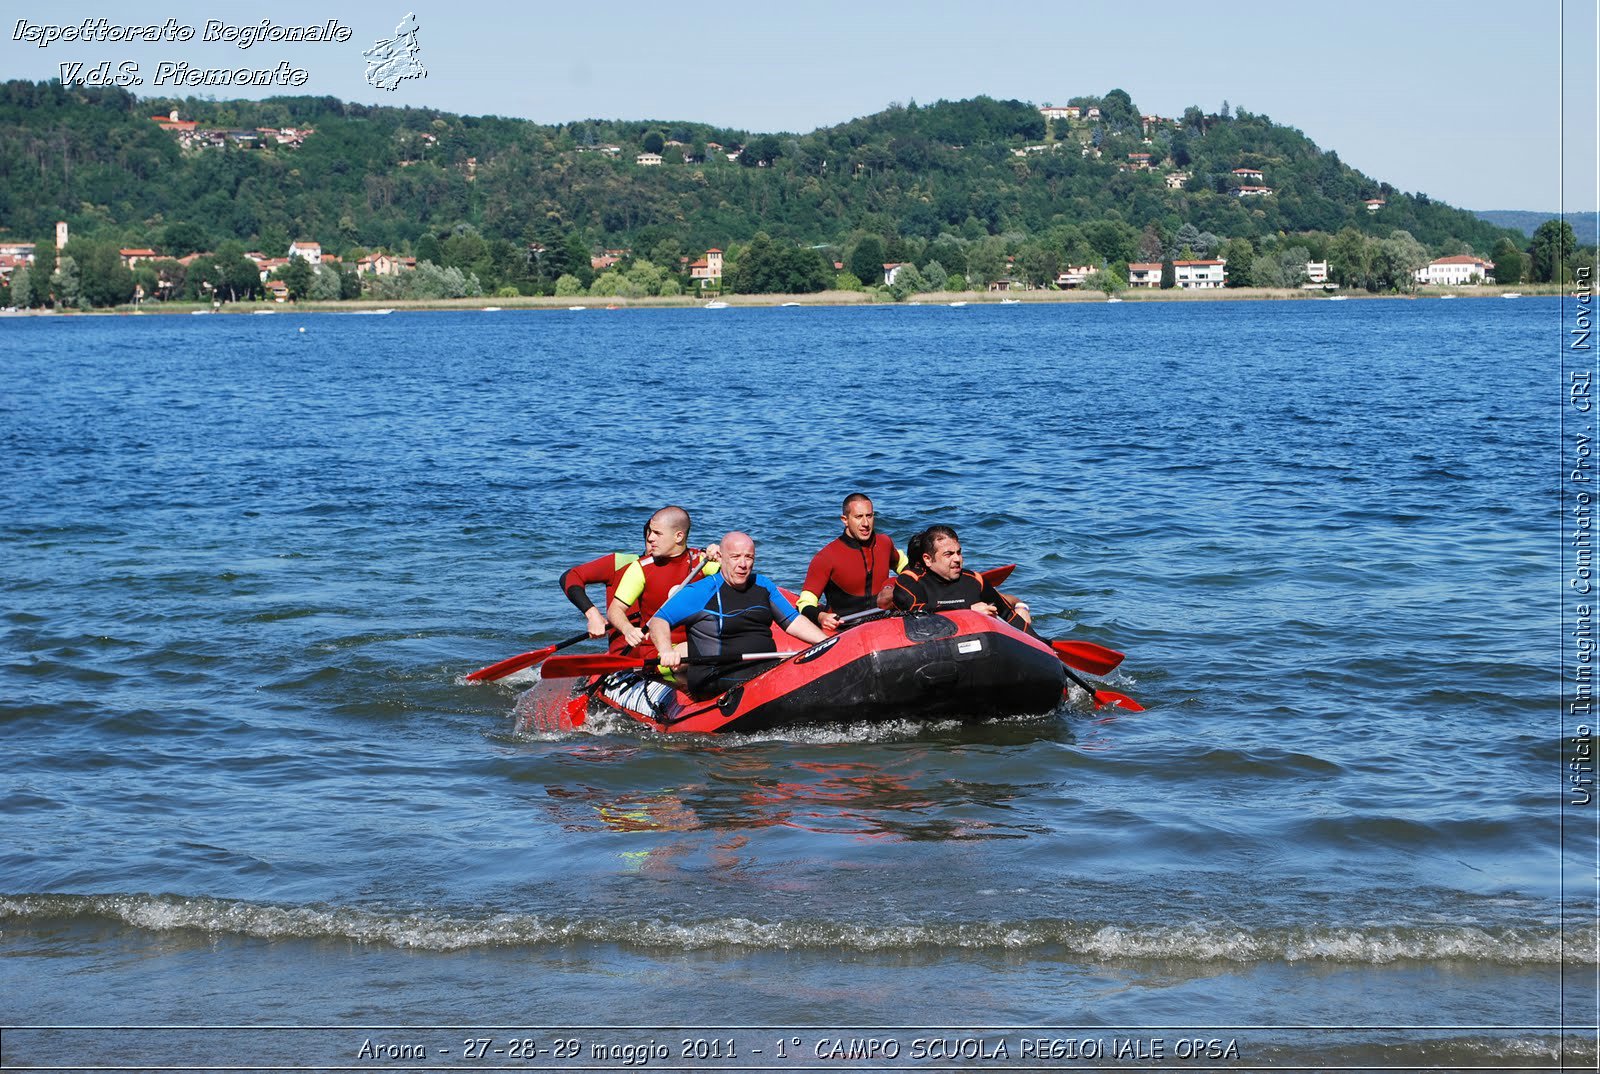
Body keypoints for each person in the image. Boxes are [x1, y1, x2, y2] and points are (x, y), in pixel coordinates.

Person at [647, 531, 829, 699]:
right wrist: (665, 650)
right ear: (720, 558)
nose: (743, 564)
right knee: (784, 674)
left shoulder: (762, 585)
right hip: (715, 675)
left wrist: (828, 643)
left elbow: (793, 621)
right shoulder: (700, 591)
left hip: (764, 665)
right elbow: (658, 621)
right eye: (735, 557)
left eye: (748, 557)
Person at [557, 506, 716, 654]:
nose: (652, 542)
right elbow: (570, 576)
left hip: (674, 648)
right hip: (628, 653)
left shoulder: (696, 562)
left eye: (657, 535)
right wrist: (593, 615)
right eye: (649, 537)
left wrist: (720, 553)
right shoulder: (623, 563)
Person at [606, 505, 719, 652]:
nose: (650, 538)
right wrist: (628, 629)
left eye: (657, 533)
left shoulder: (702, 562)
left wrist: (723, 555)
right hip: (655, 650)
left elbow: (737, 580)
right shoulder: (640, 568)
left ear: (679, 536)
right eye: (650, 532)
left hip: (695, 644)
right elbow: (615, 610)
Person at [891, 524, 1035, 634]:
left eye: (958, 553)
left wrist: (1044, 645)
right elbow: (916, 611)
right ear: (928, 559)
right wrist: (968, 611)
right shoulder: (910, 581)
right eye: (949, 554)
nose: (957, 559)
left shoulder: (974, 580)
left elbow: (1008, 615)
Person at [796, 493, 908, 631]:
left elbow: (907, 566)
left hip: (882, 623)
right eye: (858, 517)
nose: (865, 523)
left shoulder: (884, 543)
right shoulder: (826, 557)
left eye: (869, 516)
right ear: (845, 519)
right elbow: (804, 603)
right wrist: (821, 617)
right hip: (845, 630)